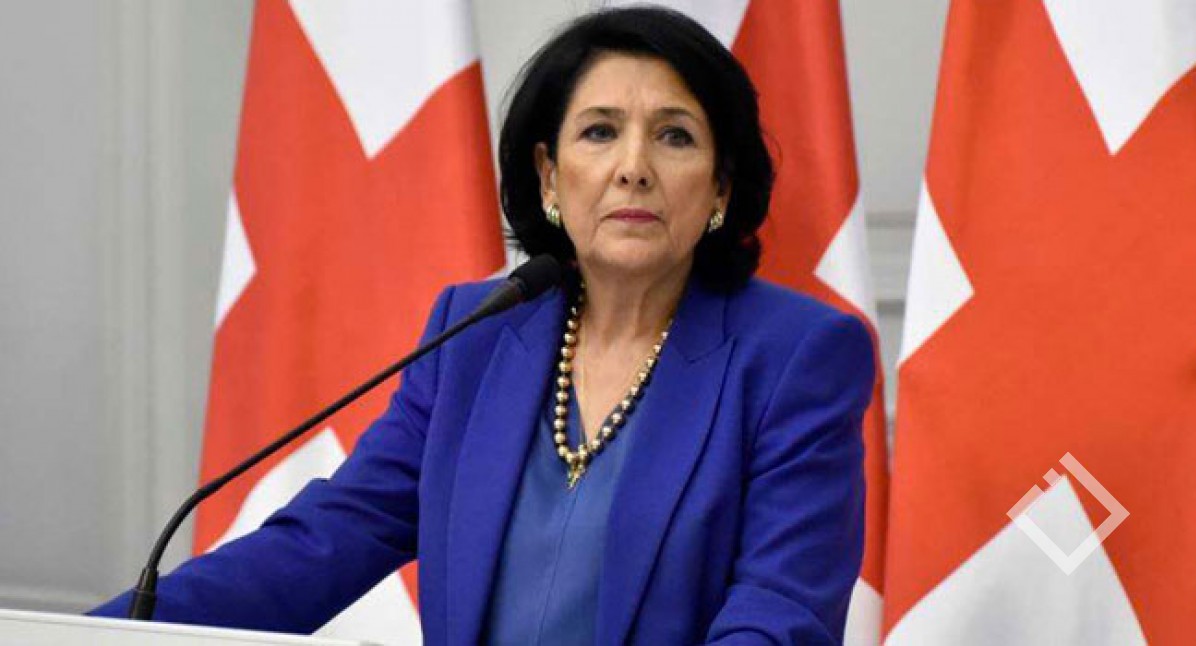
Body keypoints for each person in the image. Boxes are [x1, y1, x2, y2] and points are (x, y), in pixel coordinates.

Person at [93, 6, 874, 644]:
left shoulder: (796, 357)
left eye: (675, 136)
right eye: (599, 132)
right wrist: (96, 636)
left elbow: (781, 615)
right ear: (549, 177)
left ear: (721, 189)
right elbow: (326, 539)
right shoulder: (475, 335)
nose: (633, 166)